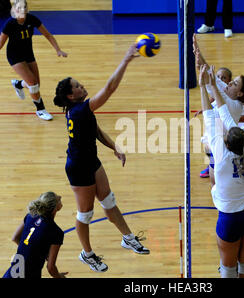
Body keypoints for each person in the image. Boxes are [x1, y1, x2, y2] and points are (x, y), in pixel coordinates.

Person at [53, 43, 150, 273]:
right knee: (85, 213)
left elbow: (94, 130)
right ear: (70, 95)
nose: (82, 86)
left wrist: (113, 146)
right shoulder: (79, 110)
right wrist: (125, 60)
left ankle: (128, 238)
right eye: (77, 86)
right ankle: (87, 254)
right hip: (78, 168)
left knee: (108, 200)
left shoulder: (79, 111)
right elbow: (109, 88)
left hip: (91, 161)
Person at [199, 64, 244, 278]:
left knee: (228, 268)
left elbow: (211, 112)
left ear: (227, 141)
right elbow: (224, 114)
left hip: (230, 218)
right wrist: (212, 84)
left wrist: (206, 85)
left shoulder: (219, 151)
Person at [193, 34, 244, 210]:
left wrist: (206, 75)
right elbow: (211, 78)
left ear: (241, 93)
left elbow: (211, 84)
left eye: (233, 83)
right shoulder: (229, 93)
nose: (227, 83)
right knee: (214, 154)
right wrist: (198, 52)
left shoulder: (232, 103)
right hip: (230, 131)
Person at [0, 0, 67, 121]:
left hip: (28, 53)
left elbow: (48, 35)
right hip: (14, 56)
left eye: (24, 7)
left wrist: (58, 50)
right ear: (14, 10)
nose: (22, 10)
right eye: (19, 8)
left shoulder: (32, 19)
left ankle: (18, 84)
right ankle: (40, 110)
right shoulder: (10, 24)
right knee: (33, 84)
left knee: (35, 85)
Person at [3, 191, 67, 278]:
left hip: (12, 273)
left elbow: (15, 237)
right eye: (58, 198)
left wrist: (31, 251)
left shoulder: (30, 216)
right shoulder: (56, 232)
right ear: (54, 208)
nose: (60, 197)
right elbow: (51, 268)